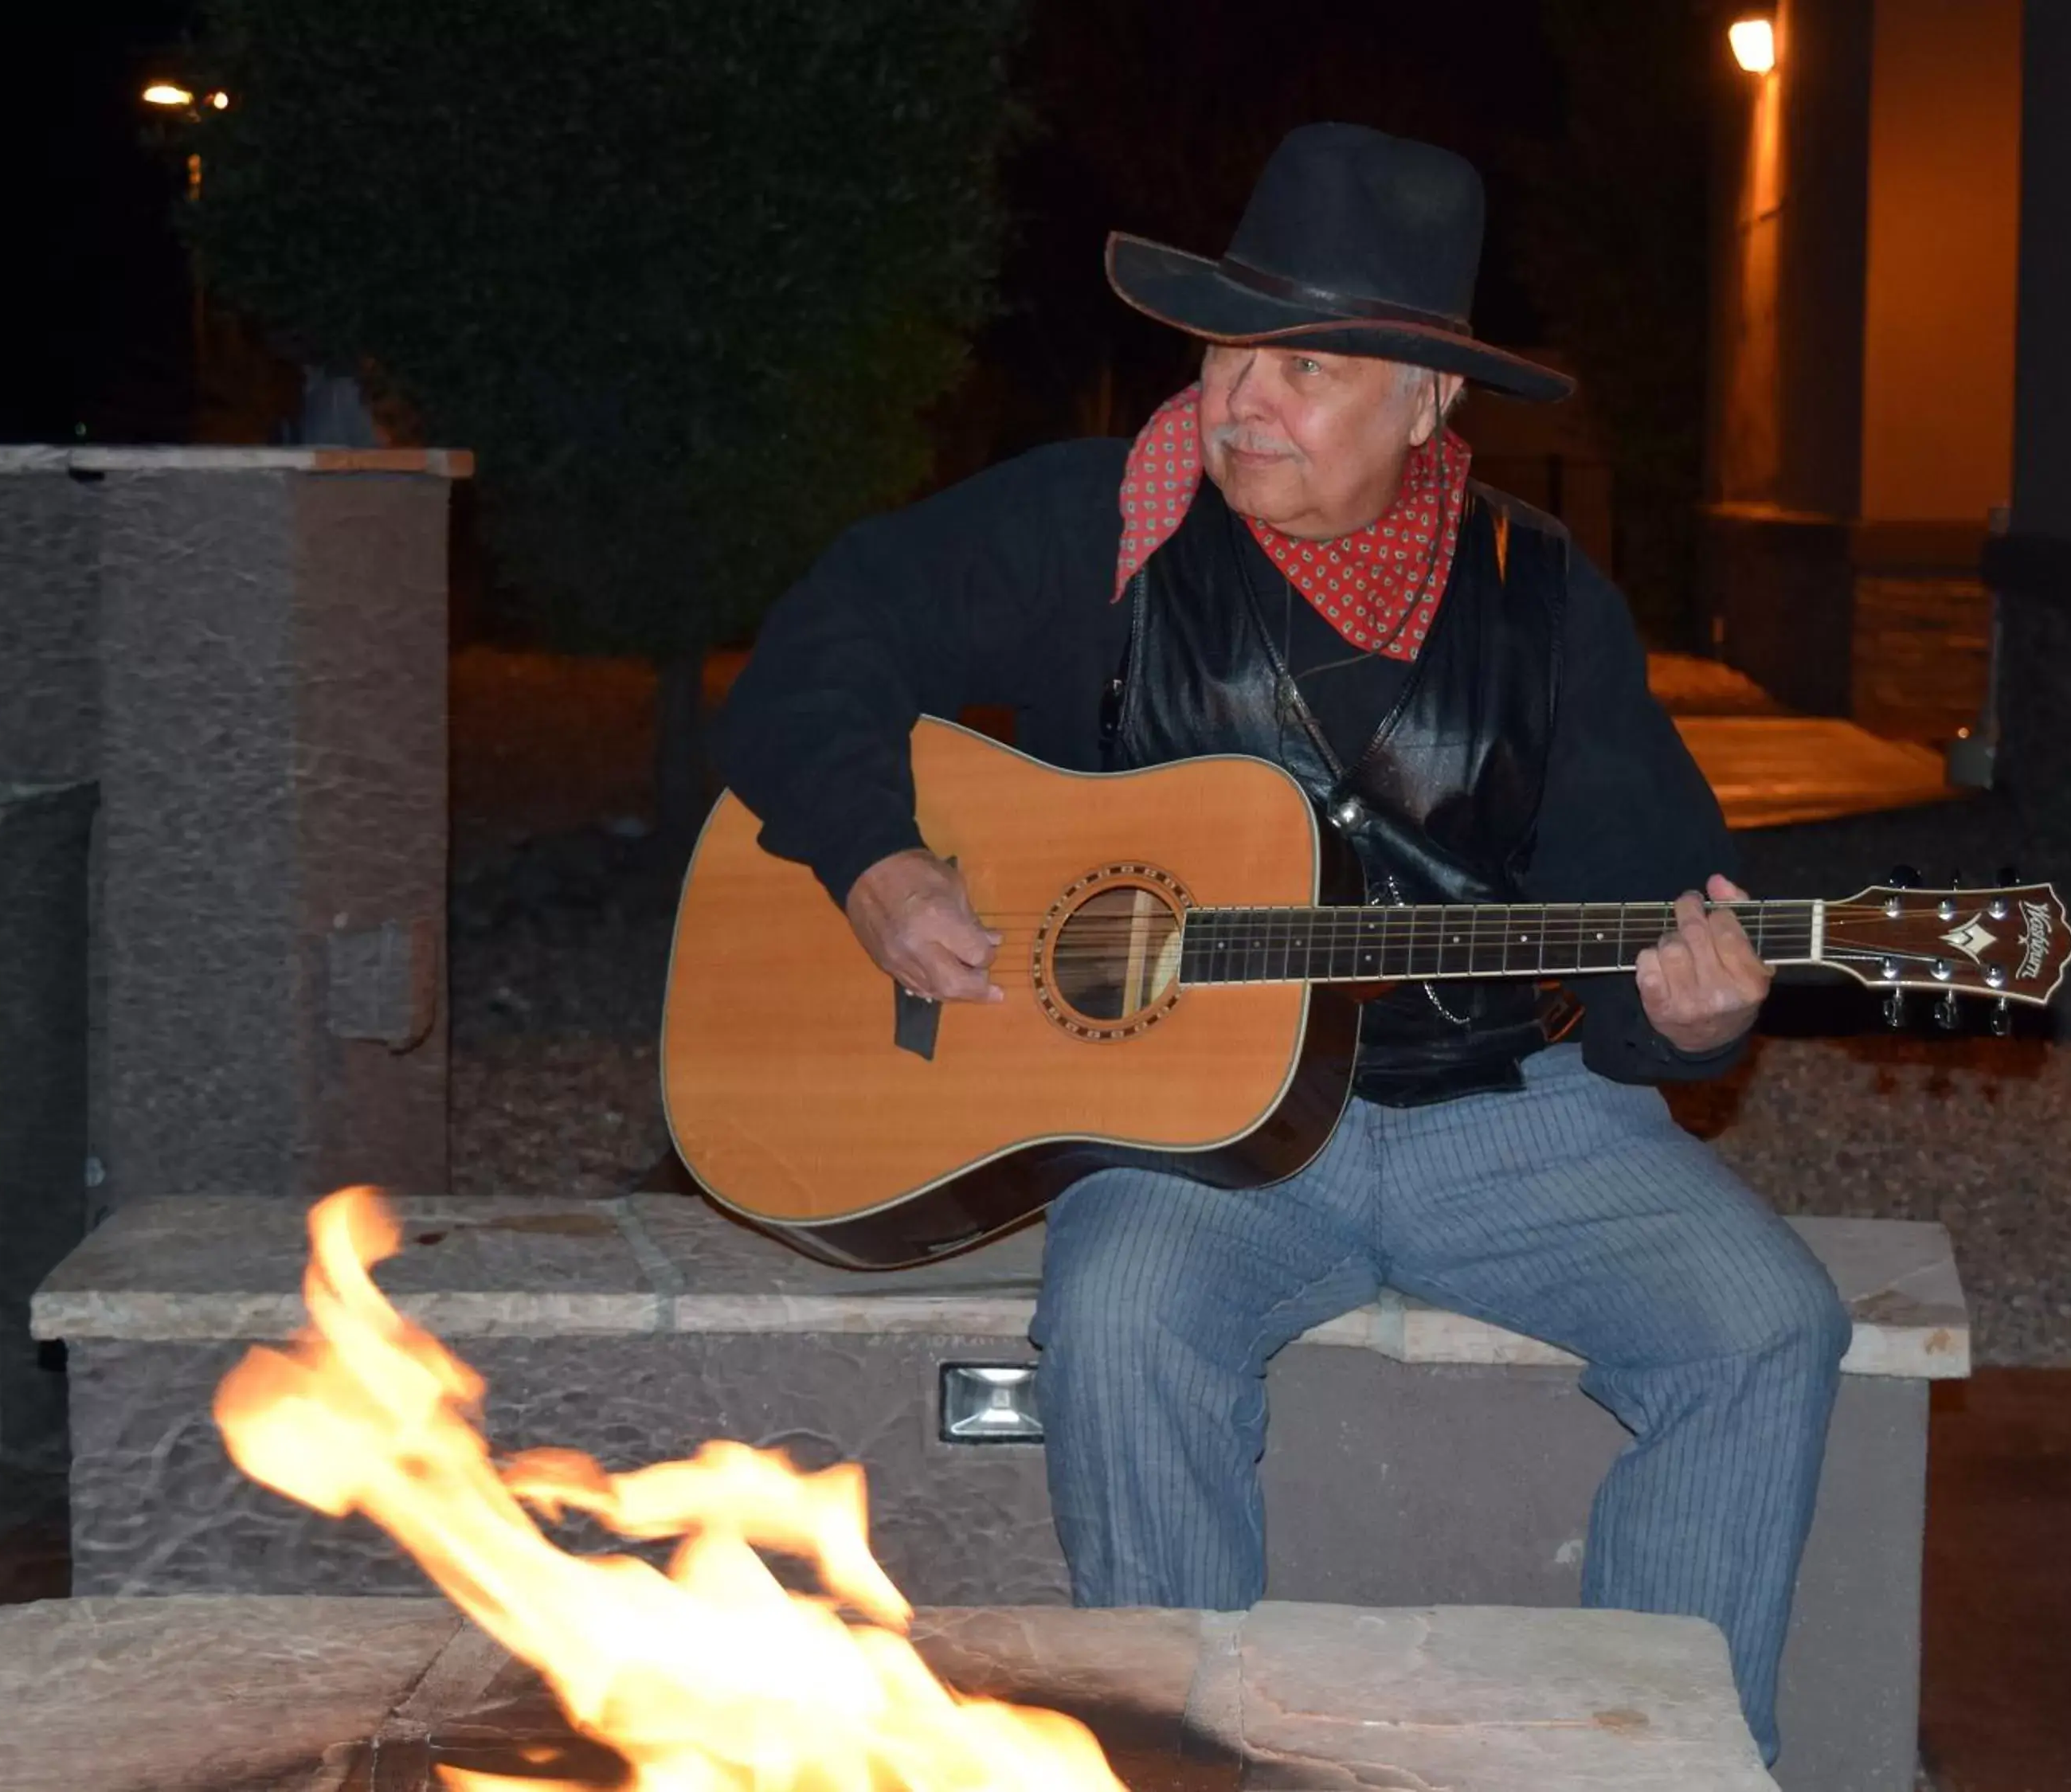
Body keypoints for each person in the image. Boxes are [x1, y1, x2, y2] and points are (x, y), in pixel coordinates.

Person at [712, 123, 1848, 1763]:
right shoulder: (1089, 527)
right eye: (1231, 348)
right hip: (1195, 1147)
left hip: (1497, 1119)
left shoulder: (1545, 603)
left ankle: (1656, 1760)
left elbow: (1656, 914)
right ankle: (1185, 1760)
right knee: (1117, 1325)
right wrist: (877, 861)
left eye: (1307, 369)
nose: (1242, 401)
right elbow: (825, 636)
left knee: (1768, 1323)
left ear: (1428, 403)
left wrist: (1693, 1014)